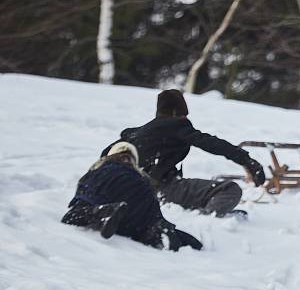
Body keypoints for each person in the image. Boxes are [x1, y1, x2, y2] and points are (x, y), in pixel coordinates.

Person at [101, 89, 266, 219]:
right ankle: (207, 219)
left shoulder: (136, 132)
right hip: (160, 189)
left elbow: (105, 154)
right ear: (174, 112)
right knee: (229, 189)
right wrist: (247, 161)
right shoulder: (176, 125)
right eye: (183, 113)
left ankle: (201, 208)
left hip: (131, 190)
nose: (186, 117)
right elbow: (210, 142)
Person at [61, 142, 202, 251]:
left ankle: (101, 212)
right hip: (140, 206)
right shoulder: (141, 177)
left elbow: (81, 196)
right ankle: (164, 234)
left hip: (109, 196)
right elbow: (151, 207)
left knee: (73, 215)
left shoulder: (100, 169)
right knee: (151, 228)